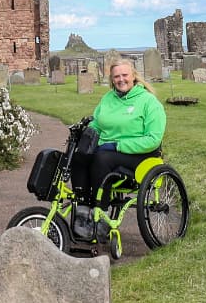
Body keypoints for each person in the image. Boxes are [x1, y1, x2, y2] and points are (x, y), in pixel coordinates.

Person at [70, 59, 166, 239]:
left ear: (133, 76)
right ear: (112, 79)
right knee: (80, 157)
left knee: (101, 159)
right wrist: (87, 134)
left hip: (141, 155)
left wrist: (118, 145)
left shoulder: (148, 102)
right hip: (108, 150)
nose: (121, 80)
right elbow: (98, 123)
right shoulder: (108, 98)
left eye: (125, 75)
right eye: (117, 76)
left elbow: (153, 139)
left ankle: (102, 215)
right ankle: (83, 211)